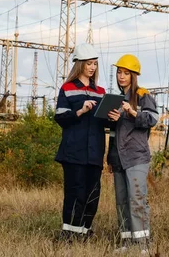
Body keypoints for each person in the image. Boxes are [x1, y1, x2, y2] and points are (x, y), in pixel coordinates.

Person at [54, 43, 107, 242]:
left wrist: (112, 116)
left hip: (94, 153)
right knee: (75, 194)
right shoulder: (67, 88)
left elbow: (105, 122)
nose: (92, 67)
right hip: (73, 152)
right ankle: (68, 234)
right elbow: (60, 118)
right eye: (89, 64)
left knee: (92, 194)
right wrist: (80, 111)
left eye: (95, 64)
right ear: (79, 64)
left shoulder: (101, 91)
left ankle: (85, 232)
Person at [107, 54, 159, 254]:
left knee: (137, 198)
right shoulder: (116, 99)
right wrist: (110, 157)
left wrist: (132, 112)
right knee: (121, 200)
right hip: (119, 157)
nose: (121, 76)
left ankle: (143, 244)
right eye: (119, 72)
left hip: (136, 156)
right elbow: (113, 133)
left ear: (134, 75)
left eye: (126, 73)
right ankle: (127, 242)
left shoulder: (142, 95)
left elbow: (153, 119)